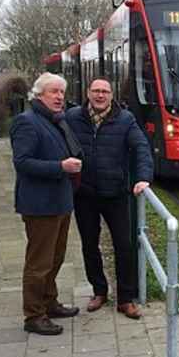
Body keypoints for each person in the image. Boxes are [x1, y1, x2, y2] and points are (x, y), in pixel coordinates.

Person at [66, 77, 153, 319]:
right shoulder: (73, 117)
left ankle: (126, 299)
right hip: (85, 194)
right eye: (96, 91)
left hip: (115, 193)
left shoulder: (125, 119)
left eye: (105, 91)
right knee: (89, 245)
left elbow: (141, 147)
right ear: (88, 93)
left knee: (124, 246)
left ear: (111, 95)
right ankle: (99, 291)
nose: (100, 95)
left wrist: (143, 177)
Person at [10, 72, 83, 335]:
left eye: (62, 92)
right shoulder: (26, 122)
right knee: (39, 263)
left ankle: (49, 302)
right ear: (39, 94)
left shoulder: (54, 120)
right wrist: (60, 167)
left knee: (56, 257)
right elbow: (22, 162)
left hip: (60, 201)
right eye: (54, 92)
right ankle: (34, 315)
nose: (60, 97)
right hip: (40, 204)